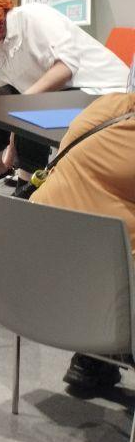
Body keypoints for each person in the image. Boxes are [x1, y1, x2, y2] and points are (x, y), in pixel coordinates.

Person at [0, 0, 130, 190]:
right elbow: (12, 102)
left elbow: (65, 68)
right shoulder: (1, 49)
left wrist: (24, 102)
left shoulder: (34, 17)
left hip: (102, 89)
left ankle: (28, 186)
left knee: (32, 110)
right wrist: (11, 148)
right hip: (66, 91)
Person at [29, 93, 135, 395]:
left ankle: (93, 359)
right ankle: (104, 350)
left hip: (27, 283)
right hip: (105, 292)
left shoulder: (104, 107)